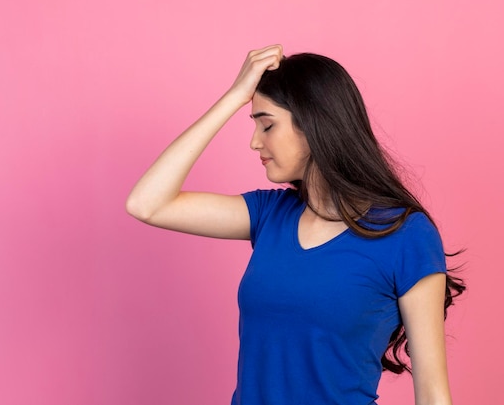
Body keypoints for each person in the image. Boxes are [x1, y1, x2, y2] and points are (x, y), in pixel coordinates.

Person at [125, 45, 465, 405]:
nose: (255, 142)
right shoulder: (270, 213)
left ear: (313, 124)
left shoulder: (406, 235)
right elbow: (147, 203)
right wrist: (234, 96)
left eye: (267, 125)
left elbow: (432, 393)